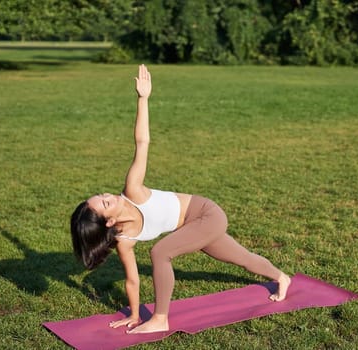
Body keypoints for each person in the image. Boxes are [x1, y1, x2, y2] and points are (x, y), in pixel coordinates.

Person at [70, 64, 291, 334]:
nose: (108, 195)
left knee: (160, 252)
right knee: (242, 258)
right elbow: (132, 281)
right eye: (105, 203)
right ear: (110, 222)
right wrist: (135, 315)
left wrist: (143, 99)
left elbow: (142, 142)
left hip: (206, 214)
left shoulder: (132, 191)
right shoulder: (124, 241)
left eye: (102, 195)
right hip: (192, 228)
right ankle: (282, 277)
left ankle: (161, 318)